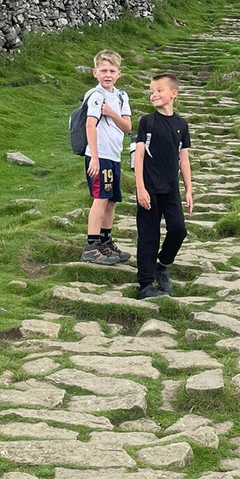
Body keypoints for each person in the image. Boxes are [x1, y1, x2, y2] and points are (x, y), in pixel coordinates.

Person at [133, 72, 193, 299]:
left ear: (173, 94)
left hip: (171, 189)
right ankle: (145, 285)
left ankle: (162, 265)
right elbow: (138, 156)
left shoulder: (181, 124)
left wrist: (189, 190)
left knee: (179, 230)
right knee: (148, 236)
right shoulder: (147, 122)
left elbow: (184, 159)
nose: (154, 95)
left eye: (159, 91)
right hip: (149, 187)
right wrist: (140, 187)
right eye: (151, 92)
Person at [81, 50, 132, 265]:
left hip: (113, 155)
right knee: (100, 198)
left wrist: (111, 112)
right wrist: (93, 157)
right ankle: (92, 247)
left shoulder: (121, 96)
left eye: (112, 70)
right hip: (99, 156)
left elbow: (127, 126)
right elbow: (90, 124)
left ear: (119, 73)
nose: (108, 74)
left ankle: (105, 241)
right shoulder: (95, 95)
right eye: (103, 70)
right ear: (95, 73)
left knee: (111, 200)